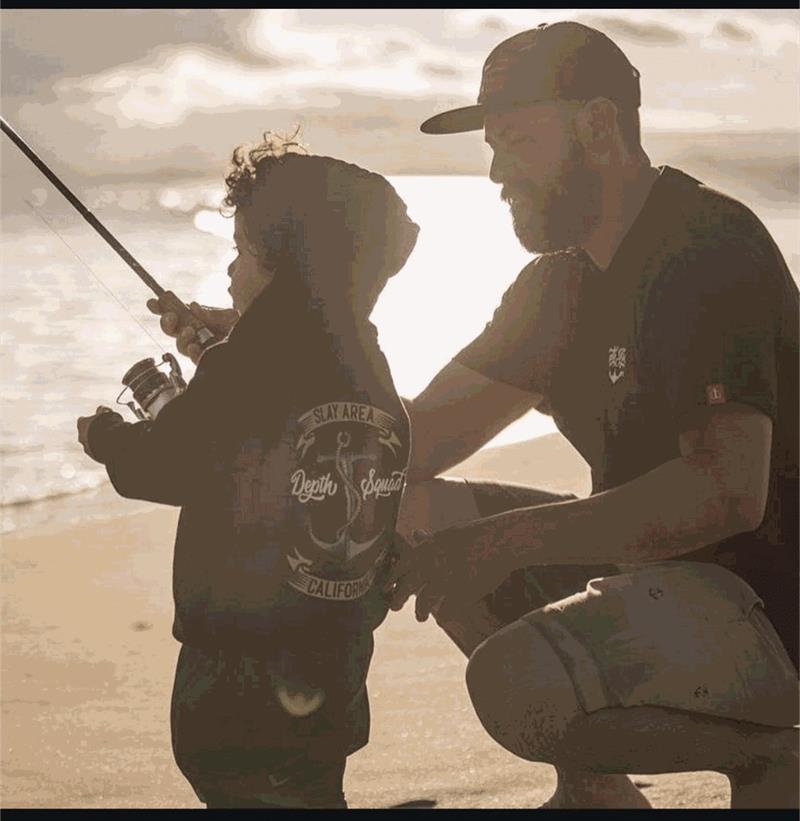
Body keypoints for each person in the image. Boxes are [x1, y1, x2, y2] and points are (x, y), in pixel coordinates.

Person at [383, 21, 798, 810]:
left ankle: (778, 754)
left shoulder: (708, 245)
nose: (497, 172)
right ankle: (597, 790)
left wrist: (506, 540)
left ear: (599, 126)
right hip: (662, 585)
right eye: (491, 147)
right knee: (411, 508)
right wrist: (294, 353)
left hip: (777, 606)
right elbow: (414, 442)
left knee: (518, 683)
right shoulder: (554, 288)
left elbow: (726, 494)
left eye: (515, 142)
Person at [76, 134, 419, 808]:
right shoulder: (376, 377)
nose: (230, 272)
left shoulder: (245, 368)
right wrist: (230, 346)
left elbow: (168, 463)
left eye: (239, 252)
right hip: (338, 669)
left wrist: (109, 438)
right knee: (315, 793)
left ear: (280, 266)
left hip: (232, 683)